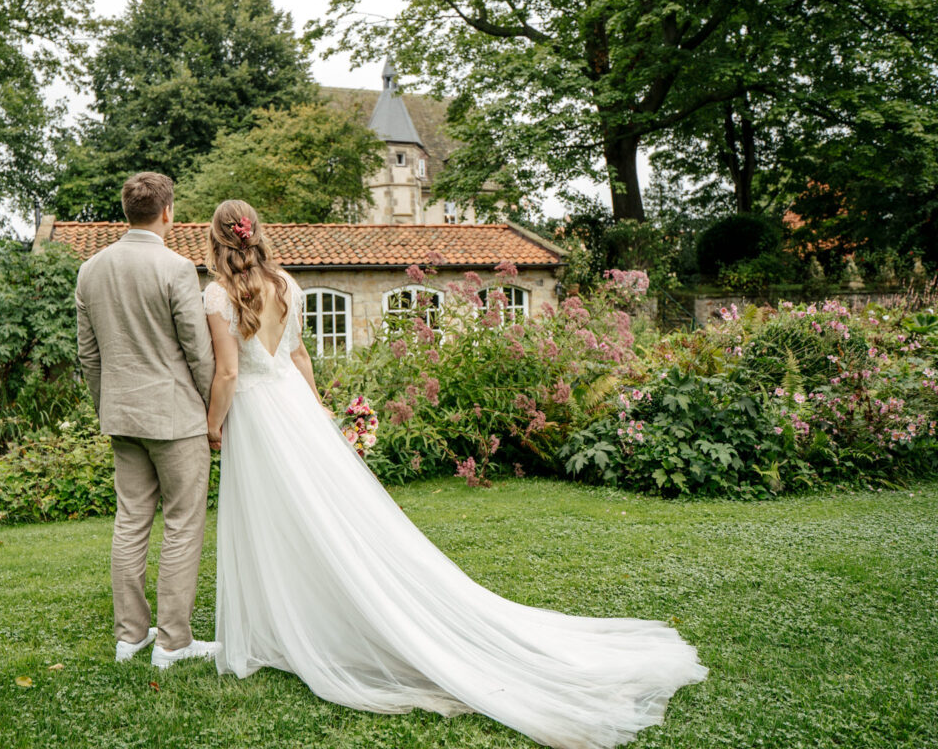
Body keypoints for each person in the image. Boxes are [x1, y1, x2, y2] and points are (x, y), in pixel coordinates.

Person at [202, 200, 708, 749]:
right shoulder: (287, 283)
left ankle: (292, 624)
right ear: (256, 232)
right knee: (321, 516)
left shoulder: (217, 294)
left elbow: (228, 370)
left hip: (257, 412)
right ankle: (295, 618)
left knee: (275, 520)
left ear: (217, 239)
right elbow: (298, 354)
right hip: (295, 409)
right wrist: (318, 408)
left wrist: (211, 427)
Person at [75, 172, 219, 669]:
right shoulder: (177, 268)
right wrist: (213, 410)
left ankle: (130, 636)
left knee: (130, 521)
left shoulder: (90, 269)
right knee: (182, 524)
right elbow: (198, 351)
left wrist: (106, 405)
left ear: (125, 211)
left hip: (122, 415)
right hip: (176, 417)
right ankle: (173, 642)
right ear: (168, 212)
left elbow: (88, 355)